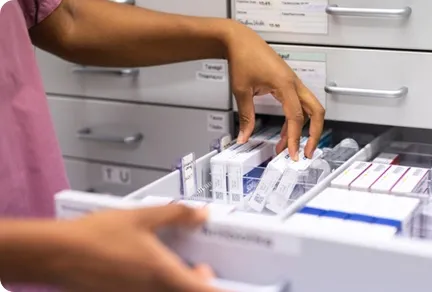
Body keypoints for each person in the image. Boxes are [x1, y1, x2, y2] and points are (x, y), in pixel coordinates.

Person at [0, 0, 326, 291]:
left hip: (30, 227)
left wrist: (229, 34)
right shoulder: (59, 255)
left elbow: (63, 18)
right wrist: (57, 253)